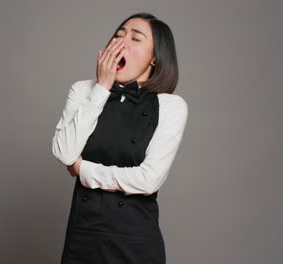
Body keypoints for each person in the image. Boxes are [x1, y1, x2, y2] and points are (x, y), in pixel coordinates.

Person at [52, 12, 188, 264]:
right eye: (119, 35)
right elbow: (64, 152)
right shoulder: (83, 90)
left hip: (135, 242)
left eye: (136, 39)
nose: (121, 42)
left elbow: (148, 181)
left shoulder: (171, 106)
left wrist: (83, 169)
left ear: (155, 58)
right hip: (83, 237)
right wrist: (101, 89)